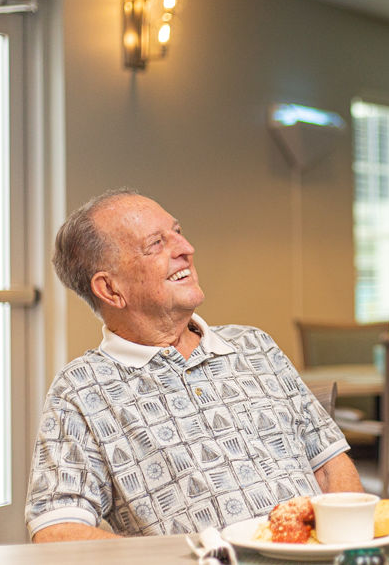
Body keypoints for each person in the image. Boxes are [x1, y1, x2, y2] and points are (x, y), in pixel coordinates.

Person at [26, 189, 363, 542]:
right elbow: (56, 528)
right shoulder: (81, 389)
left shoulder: (254, 345)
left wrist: (346, 544)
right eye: (156, 243)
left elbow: (329, 466)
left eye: (177, 231)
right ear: (110, 290)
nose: (186, 248)